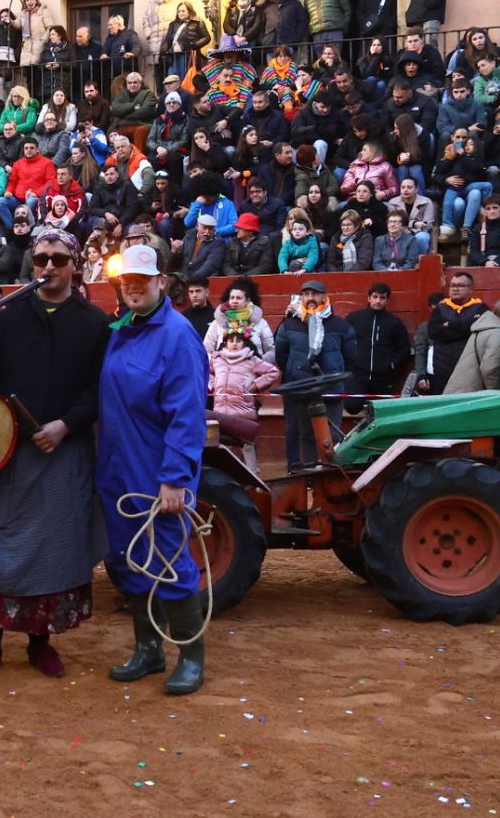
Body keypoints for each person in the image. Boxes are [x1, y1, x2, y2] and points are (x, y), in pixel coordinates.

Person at [0, 229, 109, 681]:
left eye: (59, 259)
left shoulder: (93, 323)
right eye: (41, 258)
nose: (48, 267)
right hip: (5, 452)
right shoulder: (6, 316)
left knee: (53, 552)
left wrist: (67, 425)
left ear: (74, 265)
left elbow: (99, 389)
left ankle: (40, 644)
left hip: (63, 452)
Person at [95, 244, 210, 696]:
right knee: (129, 562)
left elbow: (187, 415)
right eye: (128, 280)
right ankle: (149, 651)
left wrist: (175, 479)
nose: (134, 286)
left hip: (157, 473)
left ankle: (191, 657)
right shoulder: (121, 329)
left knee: (169, 562)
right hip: (117, 467)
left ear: (162, 281)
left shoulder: (179, 336)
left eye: (143, 279)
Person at [276, 279, 357, 469]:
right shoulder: (289, 325)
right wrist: (296, 373)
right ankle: (311, 474)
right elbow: (281, 355)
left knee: (334, 434)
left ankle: (331, 472)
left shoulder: (340, 325)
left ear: (324, 296)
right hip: (303, 388)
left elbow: (351, 357)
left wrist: (334, 372)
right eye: (306, 294)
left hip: (332, 387)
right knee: (306, 434)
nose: (310, 298)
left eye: (314, 294)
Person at [209, 323, 280, 472]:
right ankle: (225, 475)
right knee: (222, 445)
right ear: (225, 342)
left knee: (247, 445)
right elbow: (204, 372)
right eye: (231, 340)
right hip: (220, 411)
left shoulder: (251, 360)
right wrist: (212, 383)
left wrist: (255, 384)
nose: (234, 343)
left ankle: (253, 475)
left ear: (245, 342)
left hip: (244, 411)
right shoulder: (217, 359)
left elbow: (273, 372)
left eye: (238, 340)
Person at [420, 272, 489, 395]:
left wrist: (449, 325)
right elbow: (434, 332)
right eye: (452, 285)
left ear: (470, 289)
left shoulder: (481, 308)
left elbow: (479, 331)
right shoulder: (440, 309)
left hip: (470, 372)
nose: (456, 289)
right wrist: (465, 327)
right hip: (442, 372)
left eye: (461, 285)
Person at [346, 282, 412, 412]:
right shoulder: (354, 318)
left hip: (383, 377)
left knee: (381, 412)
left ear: (387, 300)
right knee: (351, 406)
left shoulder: (394, 323)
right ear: (368, 298)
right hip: (357, 375)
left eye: (382, 298)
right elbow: (342, 340)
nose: (378, 301)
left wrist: (391, 365)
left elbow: (403, 348)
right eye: (375, 297)